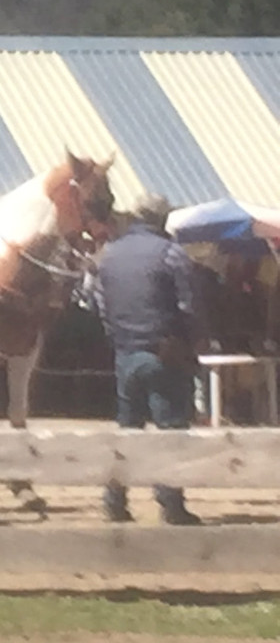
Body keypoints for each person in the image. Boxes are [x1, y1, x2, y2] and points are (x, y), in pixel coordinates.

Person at [91, 193, 203, 525]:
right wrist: (194, 341)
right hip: (165, 351)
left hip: (125, 353)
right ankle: (170, 502)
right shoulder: (171, 253)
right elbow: (188, 306)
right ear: (160, 219)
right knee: (169, 431)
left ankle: (114, 499)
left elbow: (100, 306)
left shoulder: (109, 256)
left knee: (128, 430)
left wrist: (120, 337)